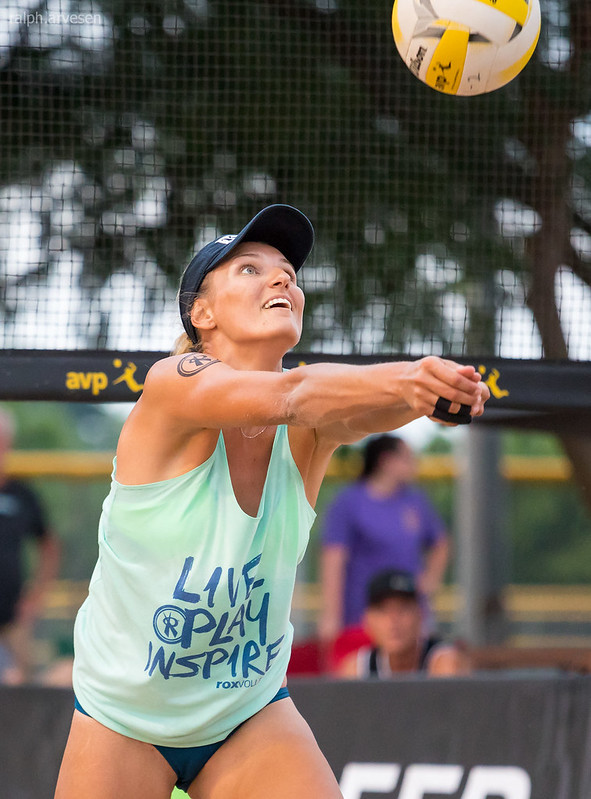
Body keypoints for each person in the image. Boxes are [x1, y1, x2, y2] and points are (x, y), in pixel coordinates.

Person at [55, 204, 489, 799]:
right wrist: (409, 379)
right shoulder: (172, 384)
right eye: (250, 270)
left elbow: (358, 405)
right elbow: (296, 392)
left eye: (287, 270)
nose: (283, 278)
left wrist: (439, 394)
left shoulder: (309, 429)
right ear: (201, 312)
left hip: (246, 712)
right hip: (124, 718)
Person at [319, 434, 449, 659]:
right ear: (386, 460)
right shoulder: (349, 502)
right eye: (407, 458)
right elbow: (334, 559)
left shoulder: (414, 501)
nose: (414, 464)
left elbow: (441, 543)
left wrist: (429, 582)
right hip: (361, 618)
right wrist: (331, 615)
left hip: (410, 620)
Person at [0, 407, 61, 684]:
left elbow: (49, 546)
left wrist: (35, 599)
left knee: (21, 686)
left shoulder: (23, 494)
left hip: (14, 618)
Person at [336, 569, 471, 679]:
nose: (393, 621)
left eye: (403, 609)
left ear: (420, 615)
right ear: (367, 620)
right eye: (383, 610)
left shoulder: (443, 663)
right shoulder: (358, 669)